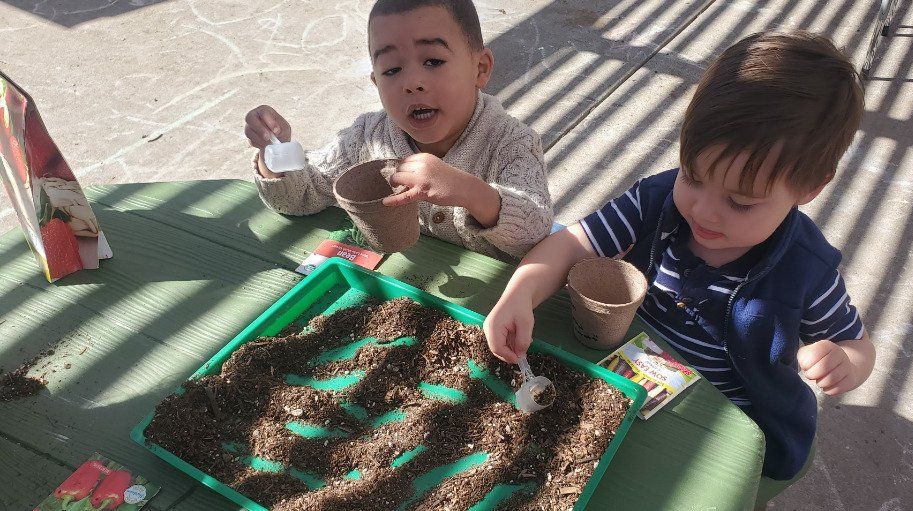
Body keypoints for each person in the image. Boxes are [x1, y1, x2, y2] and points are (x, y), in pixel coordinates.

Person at [483, 30, 876, 507]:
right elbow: (567, 245)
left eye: (740, 202)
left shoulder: (806, 271)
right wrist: (519, 294)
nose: (704, 212)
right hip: (637, 378)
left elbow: (856, 343)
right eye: (693, 175)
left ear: (810, 186)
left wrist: (846, 362)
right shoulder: (657, 200)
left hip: (732, 421)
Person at [243, 0, 553, 260]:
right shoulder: (369, 137)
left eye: (433, 60)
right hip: (397, 293)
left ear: (480, 68)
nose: (411, 82)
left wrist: (470, 192)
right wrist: (275, 153)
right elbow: (302, 195)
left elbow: (535, 232)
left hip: (492, 310)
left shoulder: (512, 144)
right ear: (376, 82)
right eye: (392, 69)